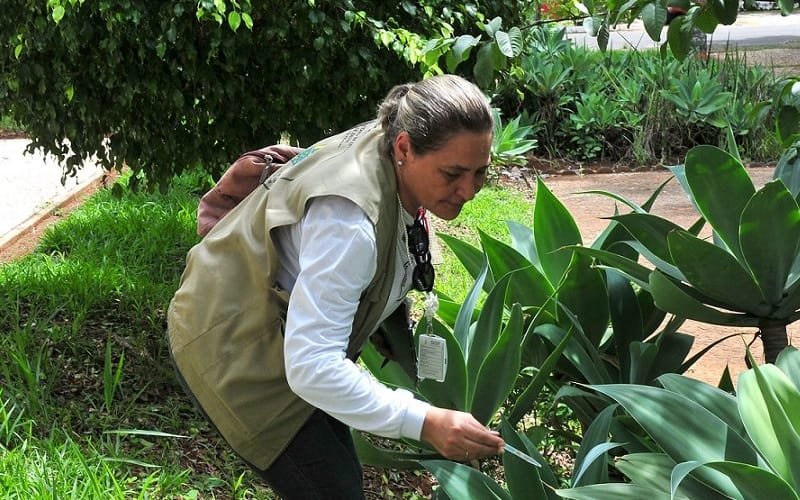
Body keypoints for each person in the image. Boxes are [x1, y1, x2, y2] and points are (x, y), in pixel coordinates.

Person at [167, 74, 506, 499]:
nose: (469, 190)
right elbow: (312, 367)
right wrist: (425, 421)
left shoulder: (392, 139)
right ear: (404, 148)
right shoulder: (349, 226)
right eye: (454, 173)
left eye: (481, 173)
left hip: (283, 337)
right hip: (230, 345)